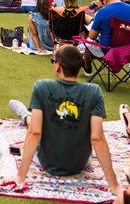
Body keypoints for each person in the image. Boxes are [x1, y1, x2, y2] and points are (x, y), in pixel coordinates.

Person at [7, 45, 120, 193]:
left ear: (57, 66)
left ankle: (24, 115)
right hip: (80, 162)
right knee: (34, 123)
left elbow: (35, 133)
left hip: (45, 160)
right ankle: (25, 115)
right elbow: (97, 138)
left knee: (32, 123)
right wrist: (114, 185)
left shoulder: (42, 87)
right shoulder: (94, 92)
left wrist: (20, 177)